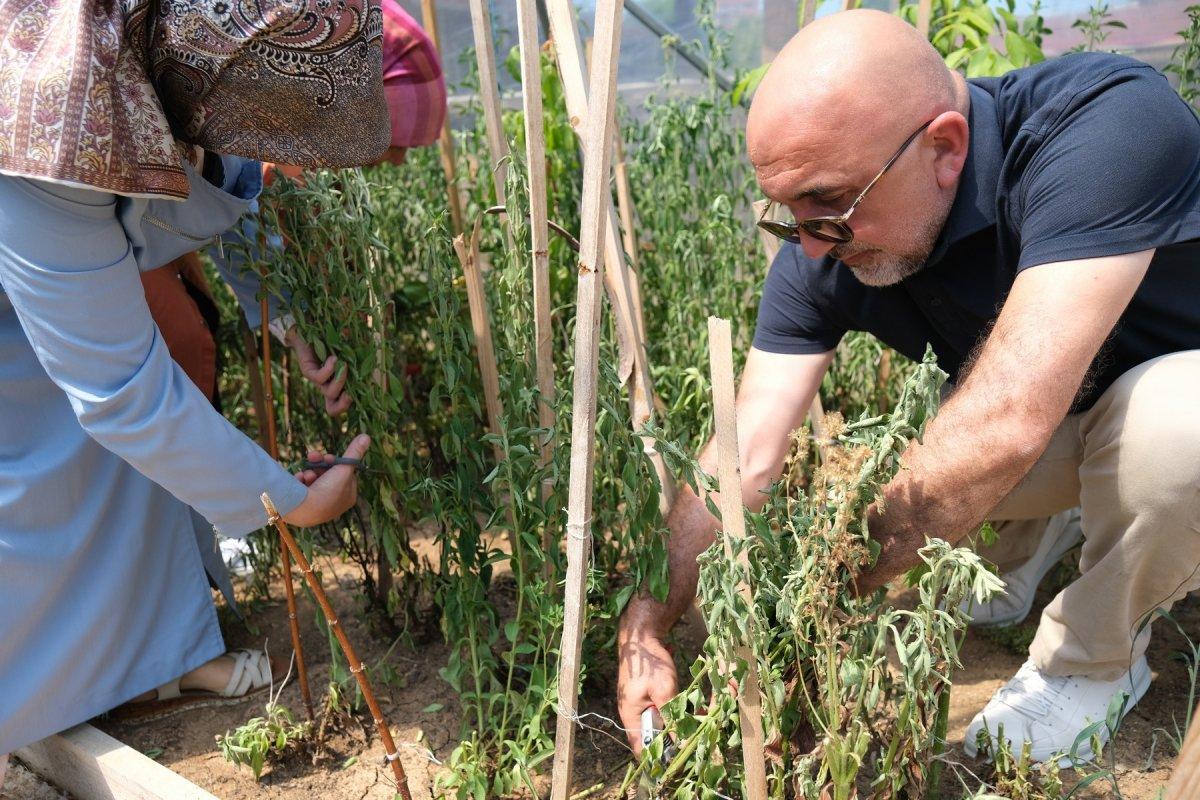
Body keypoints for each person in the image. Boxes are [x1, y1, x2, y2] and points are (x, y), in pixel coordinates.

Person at [617, 9, 1200, 766]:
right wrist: (647, 621)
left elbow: (1009, 421)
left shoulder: (1106, 123)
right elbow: (746, 447)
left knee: (1171, 428)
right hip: (1065, 413)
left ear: (945, 149)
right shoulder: (822, 242)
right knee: (907, 452)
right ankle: (1040, 541)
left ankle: (1094, 663)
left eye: (831, 208)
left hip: (1167, 397)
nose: (810, 246)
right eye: (787, 215)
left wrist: (814, 607)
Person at [0, 0, 392, 778]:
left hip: (38, 280)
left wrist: (283, 318)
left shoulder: (160, 46)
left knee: (123, 462)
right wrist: (292, 501)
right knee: (35, 494)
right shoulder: (47, 102)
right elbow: (121, 393)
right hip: (27, 248)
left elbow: (218, 173)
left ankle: (126, 669)